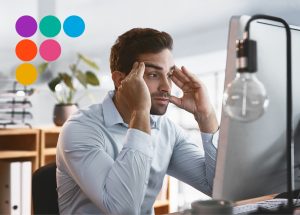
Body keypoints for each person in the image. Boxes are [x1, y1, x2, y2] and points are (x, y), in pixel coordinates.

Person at [56, 28, 219, 215]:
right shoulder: (80, 129)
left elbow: (218, 188)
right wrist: (140, 112)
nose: (167, 87)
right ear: (120, 80)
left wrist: (206, 116)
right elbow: (123, 210)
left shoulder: (167, 131)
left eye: (169, 75)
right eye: (152, 75)